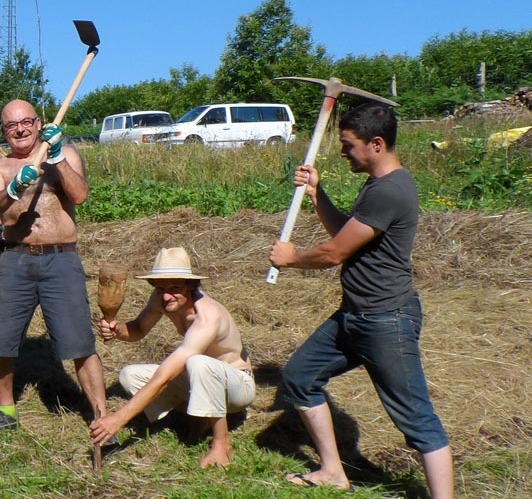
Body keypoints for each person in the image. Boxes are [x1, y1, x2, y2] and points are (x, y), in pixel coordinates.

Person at [269, 103, 453, 496]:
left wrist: (291, 258)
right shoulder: (376, 187)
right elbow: (348, 239)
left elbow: (334, 253)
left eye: (348, 146)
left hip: (385, 319)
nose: (342, 153)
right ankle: (333, 471)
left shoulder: (391, 190)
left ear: (377, 143)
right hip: (355, 315)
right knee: (301, 378)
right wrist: (318, 194)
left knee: (416, 418)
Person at [0, 99, 107, 436]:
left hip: (61, 259)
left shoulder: (65, 154)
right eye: (10, 125)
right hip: (15, 258)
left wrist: (59, 157)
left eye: (26, 122)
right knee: (0, 339)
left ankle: (100, 416)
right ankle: (6, 410)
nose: (19, 129)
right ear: (4, 131)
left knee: (80, 342)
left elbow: (79, 195)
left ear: (37, 124)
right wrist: (13, 187)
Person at [88, 247, 255, 468]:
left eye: (175, 288)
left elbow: (167, 376)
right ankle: (201, 417)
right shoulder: (161, 298)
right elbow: (138, 329)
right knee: (130, 376)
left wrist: (118, 418)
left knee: (197, 363)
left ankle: (222, 443)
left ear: (191, 285)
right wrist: (117, 330)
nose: (166, 295)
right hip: (204, 378)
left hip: (237, 387)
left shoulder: (207, 316)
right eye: (160, 288)